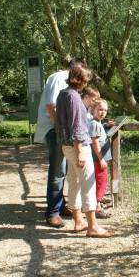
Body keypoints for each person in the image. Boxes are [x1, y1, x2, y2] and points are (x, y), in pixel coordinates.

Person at [55, 64, 113, 238]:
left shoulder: (63, 94)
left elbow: (60, 123)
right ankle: (92, 226)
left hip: (67, 146)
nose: (87, 81)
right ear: (79, 79)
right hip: (77, 146)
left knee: (75, 181)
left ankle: (78, 220)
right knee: (88, 182)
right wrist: (79, 149)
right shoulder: (73, 97)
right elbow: (77, 125)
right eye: (86, 78)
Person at [35, 59, 86, 228]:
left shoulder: (62, 79)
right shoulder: (60, 77)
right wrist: (61, 129)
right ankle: (53, 213)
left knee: (64, 170)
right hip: (55, 130)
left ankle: (61, 205)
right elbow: (51, 106)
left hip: (59, 130)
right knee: (58, 170)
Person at [88, 98, 113, 218]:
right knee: (101, 181)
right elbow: (95, 142)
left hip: (98, 159)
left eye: (105, 110)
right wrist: (101, 158)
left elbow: (98, 128)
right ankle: (97, 206)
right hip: (98, 159)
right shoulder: (94, 124)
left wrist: (106, 125)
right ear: (93, 110)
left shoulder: (97, 123)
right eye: (100, 109)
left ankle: (96, 201)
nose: (103, 112)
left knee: (99, 180)